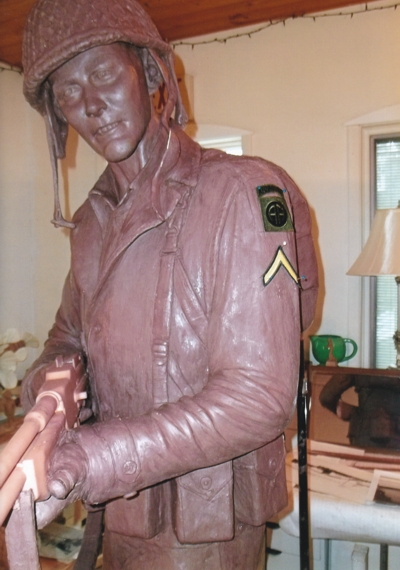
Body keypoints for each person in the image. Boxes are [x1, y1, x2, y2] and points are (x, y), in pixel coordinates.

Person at [21, 0, 318, 568]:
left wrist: (91, 458)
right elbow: (66, 338)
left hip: (207, 532)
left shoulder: (241, 194)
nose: (91, 104)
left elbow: (257, 397)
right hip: (120, 518)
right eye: (68, 91)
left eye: (103, 73)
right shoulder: (91, 223)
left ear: (150, 73)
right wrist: (51, 398)